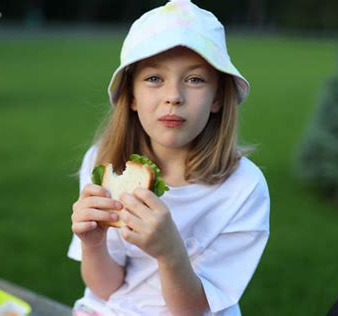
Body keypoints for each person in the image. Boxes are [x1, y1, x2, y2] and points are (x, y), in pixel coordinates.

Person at [67, 0, 270, 315]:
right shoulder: (104, 163)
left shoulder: (244, 188)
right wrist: (92, 244)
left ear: (218, 97)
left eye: (194, 79)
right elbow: (104, 288)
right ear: (131, 96)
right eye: (154, 79)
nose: (173, 96)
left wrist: (170, 252)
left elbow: (194, 309)